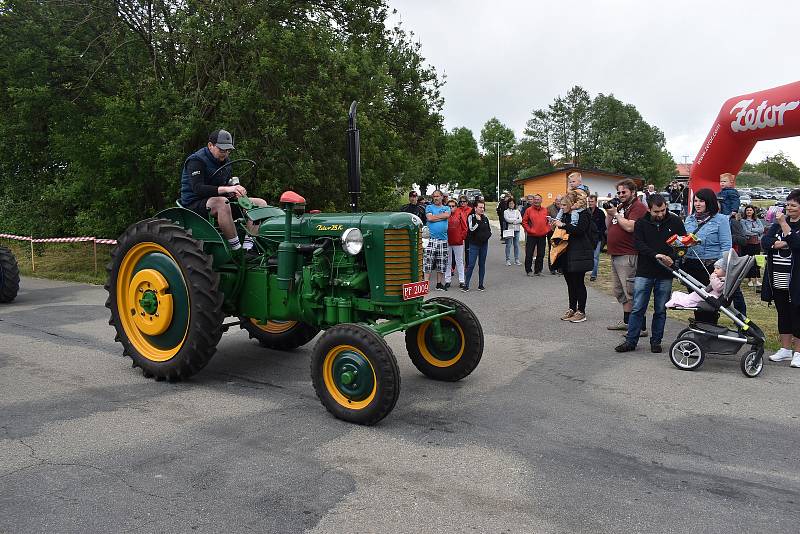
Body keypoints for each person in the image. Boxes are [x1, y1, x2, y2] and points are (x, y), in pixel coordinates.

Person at [615, 194, 686, 353]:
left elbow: (682, 243)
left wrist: (672, 257)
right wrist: (656, 255)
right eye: (656, 211)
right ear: (649, 209)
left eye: (663, 210)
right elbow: (638, 244)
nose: (660, 214)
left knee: (661, 309)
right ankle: (631, 341)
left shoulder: (675, 221)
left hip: (665, 273)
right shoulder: (641, 223)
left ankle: (656, 341)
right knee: (638, 307)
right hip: (645, 272)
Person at [180, 129, 268, 252]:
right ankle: (237, 250)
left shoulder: (225, 162)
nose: (225, 154)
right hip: (194, 204)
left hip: (218, 200)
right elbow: (198, 189)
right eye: (222, 150)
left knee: (260, 204)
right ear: (210, 145)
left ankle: (248, 248)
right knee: (222, 203)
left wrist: (235, 191)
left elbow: (225, 184)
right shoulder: (196, 161)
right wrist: (228, 189)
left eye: (228, 151)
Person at [605, 179, 649, 335]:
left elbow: (631, 227)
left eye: (624, 192)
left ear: (633, 192)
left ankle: (640, 327)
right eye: (619, 192)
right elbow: (609, 226)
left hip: (629, 254)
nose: (621, 195)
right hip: (616, 253)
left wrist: (616, 213)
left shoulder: (638, 207)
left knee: (632, 292)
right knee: (620, 292)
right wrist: (611, 212)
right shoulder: (622, 206)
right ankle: (627, 322)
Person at [682, 188, 732, 324]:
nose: (697, 204)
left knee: (710, 302)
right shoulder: (689, 219)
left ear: (709, 202)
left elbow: (726, 246)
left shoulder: (721, 220)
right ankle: (700, 330)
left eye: (701, 201)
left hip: (710, 266)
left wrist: (722, 269)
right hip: (691, 264)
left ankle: (710, 330)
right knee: (696, 301)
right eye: (695, 201)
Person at [762, 189, 800, 367]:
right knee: (783, 312)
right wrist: (779, 242)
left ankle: (798, 352)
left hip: (796, 279)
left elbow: (797, 244)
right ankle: (785, 349)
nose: (789, 208)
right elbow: (765, 242)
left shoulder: (783, 223)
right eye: (788, 204)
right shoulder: (776, 225)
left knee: (797, 313)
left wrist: (785, 224)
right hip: (777, 276)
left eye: (793, 205)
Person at [551, 191, 594, 323]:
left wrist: (563, 225)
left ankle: (581, 311)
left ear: (571, 204)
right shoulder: (564, 215)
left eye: (564, 204)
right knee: (570, 283)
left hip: (579, 253)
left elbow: (580, 231)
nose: (561, 207)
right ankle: (572, 308)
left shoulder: (583, 214)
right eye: (561, 205)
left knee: (578, 283)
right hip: (566, 253)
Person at [424, 190, 451, 290]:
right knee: (428, 262)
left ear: (442, 197)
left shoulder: (446, 207)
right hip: (430, 239)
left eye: (437, 196)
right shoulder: (429, 207)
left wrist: (435, 217)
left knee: (441, 262)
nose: (436, 198)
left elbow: (447, 215)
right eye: (434, 196)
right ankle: (425, 285)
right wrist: (441, 217)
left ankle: (439, 284)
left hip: (443, 239)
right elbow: (429, 218)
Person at [462, 200, 491, 292]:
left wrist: (487, 236)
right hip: (474, 244)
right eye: (480, 207)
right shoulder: (471, 217)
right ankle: (466, 285)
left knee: (482, 264)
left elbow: (489, 230)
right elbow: (471, 228)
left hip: (484, 245)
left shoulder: (485, 218)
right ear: (475, 208)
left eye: (483, 207)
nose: (482, 209)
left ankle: (481, 284)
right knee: (471, 265)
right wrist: (478, 222)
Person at [522, 194, 549, 276]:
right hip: (531, 235)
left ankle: (538, 270)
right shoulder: (529, 210)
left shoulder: (545, 210)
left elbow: (549, 221)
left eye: (538, 199)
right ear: (533, 201)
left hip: (542, 235)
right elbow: (524, 222)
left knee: (541, 254)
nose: (537, 201)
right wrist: (529, 230)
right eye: (535, 199)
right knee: (529, 253)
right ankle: (528, 270)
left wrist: (547, 230)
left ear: (541, 201)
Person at [445, 198, 467, 290]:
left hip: (458, 241)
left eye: (453, 206)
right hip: (447, 240)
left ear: (456, 206)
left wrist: (461, 237)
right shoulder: (445, 214)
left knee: (459, 261)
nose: (451, 208)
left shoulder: (460, 213)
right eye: (449, 206)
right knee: (448, 261)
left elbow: (465, 227)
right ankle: (447, 280)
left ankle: (462, 280)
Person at [741, 206, 765, 287]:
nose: (749, 211)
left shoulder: (757, 220)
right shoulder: (743, 221)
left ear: (753, 211)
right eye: (747, 210)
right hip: (748, 243)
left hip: (756, 243)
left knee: (757, 260)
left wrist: (752, 230)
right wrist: (756, 231)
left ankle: (756, 279)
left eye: (750, 210)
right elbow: (745, 232)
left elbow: (762, 229)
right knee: (749, 261)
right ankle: (750, 279)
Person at [587, 194, 607, 281]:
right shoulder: (586, 211)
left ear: (596, 202)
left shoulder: (600, 213)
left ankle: (593, 275)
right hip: (587, 238)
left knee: (595, 257)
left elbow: (604, 226)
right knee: (588, 256)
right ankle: (586, 271)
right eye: (589, 201)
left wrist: (599, 234)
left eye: (592, 202)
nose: (590, 203)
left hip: (597, 238)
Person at [546, 194, 564, 275]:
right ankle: (552, 267)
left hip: (561, 231)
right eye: (557, 200)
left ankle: (560, 268)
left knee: (561, 249)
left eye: (560, 201)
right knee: (552, 249)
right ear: (555, 201)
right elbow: (546, 219)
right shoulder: (549, 208)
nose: (558, 202)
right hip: (552, 231)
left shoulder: (564, 208)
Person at [503, 198, 522, 265]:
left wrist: (513, 221)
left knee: (516, 245)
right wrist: (515, 220)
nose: (511, 205)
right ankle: (507, 259)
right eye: (510, 203)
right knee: (508, 245)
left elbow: (520, 220)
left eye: (512, 203)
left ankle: (516, 259)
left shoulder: (517, 211)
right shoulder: (506, 211)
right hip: (509, 230)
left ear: (514, 204)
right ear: (508, 204)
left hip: (517, 229)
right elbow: (507, 219)